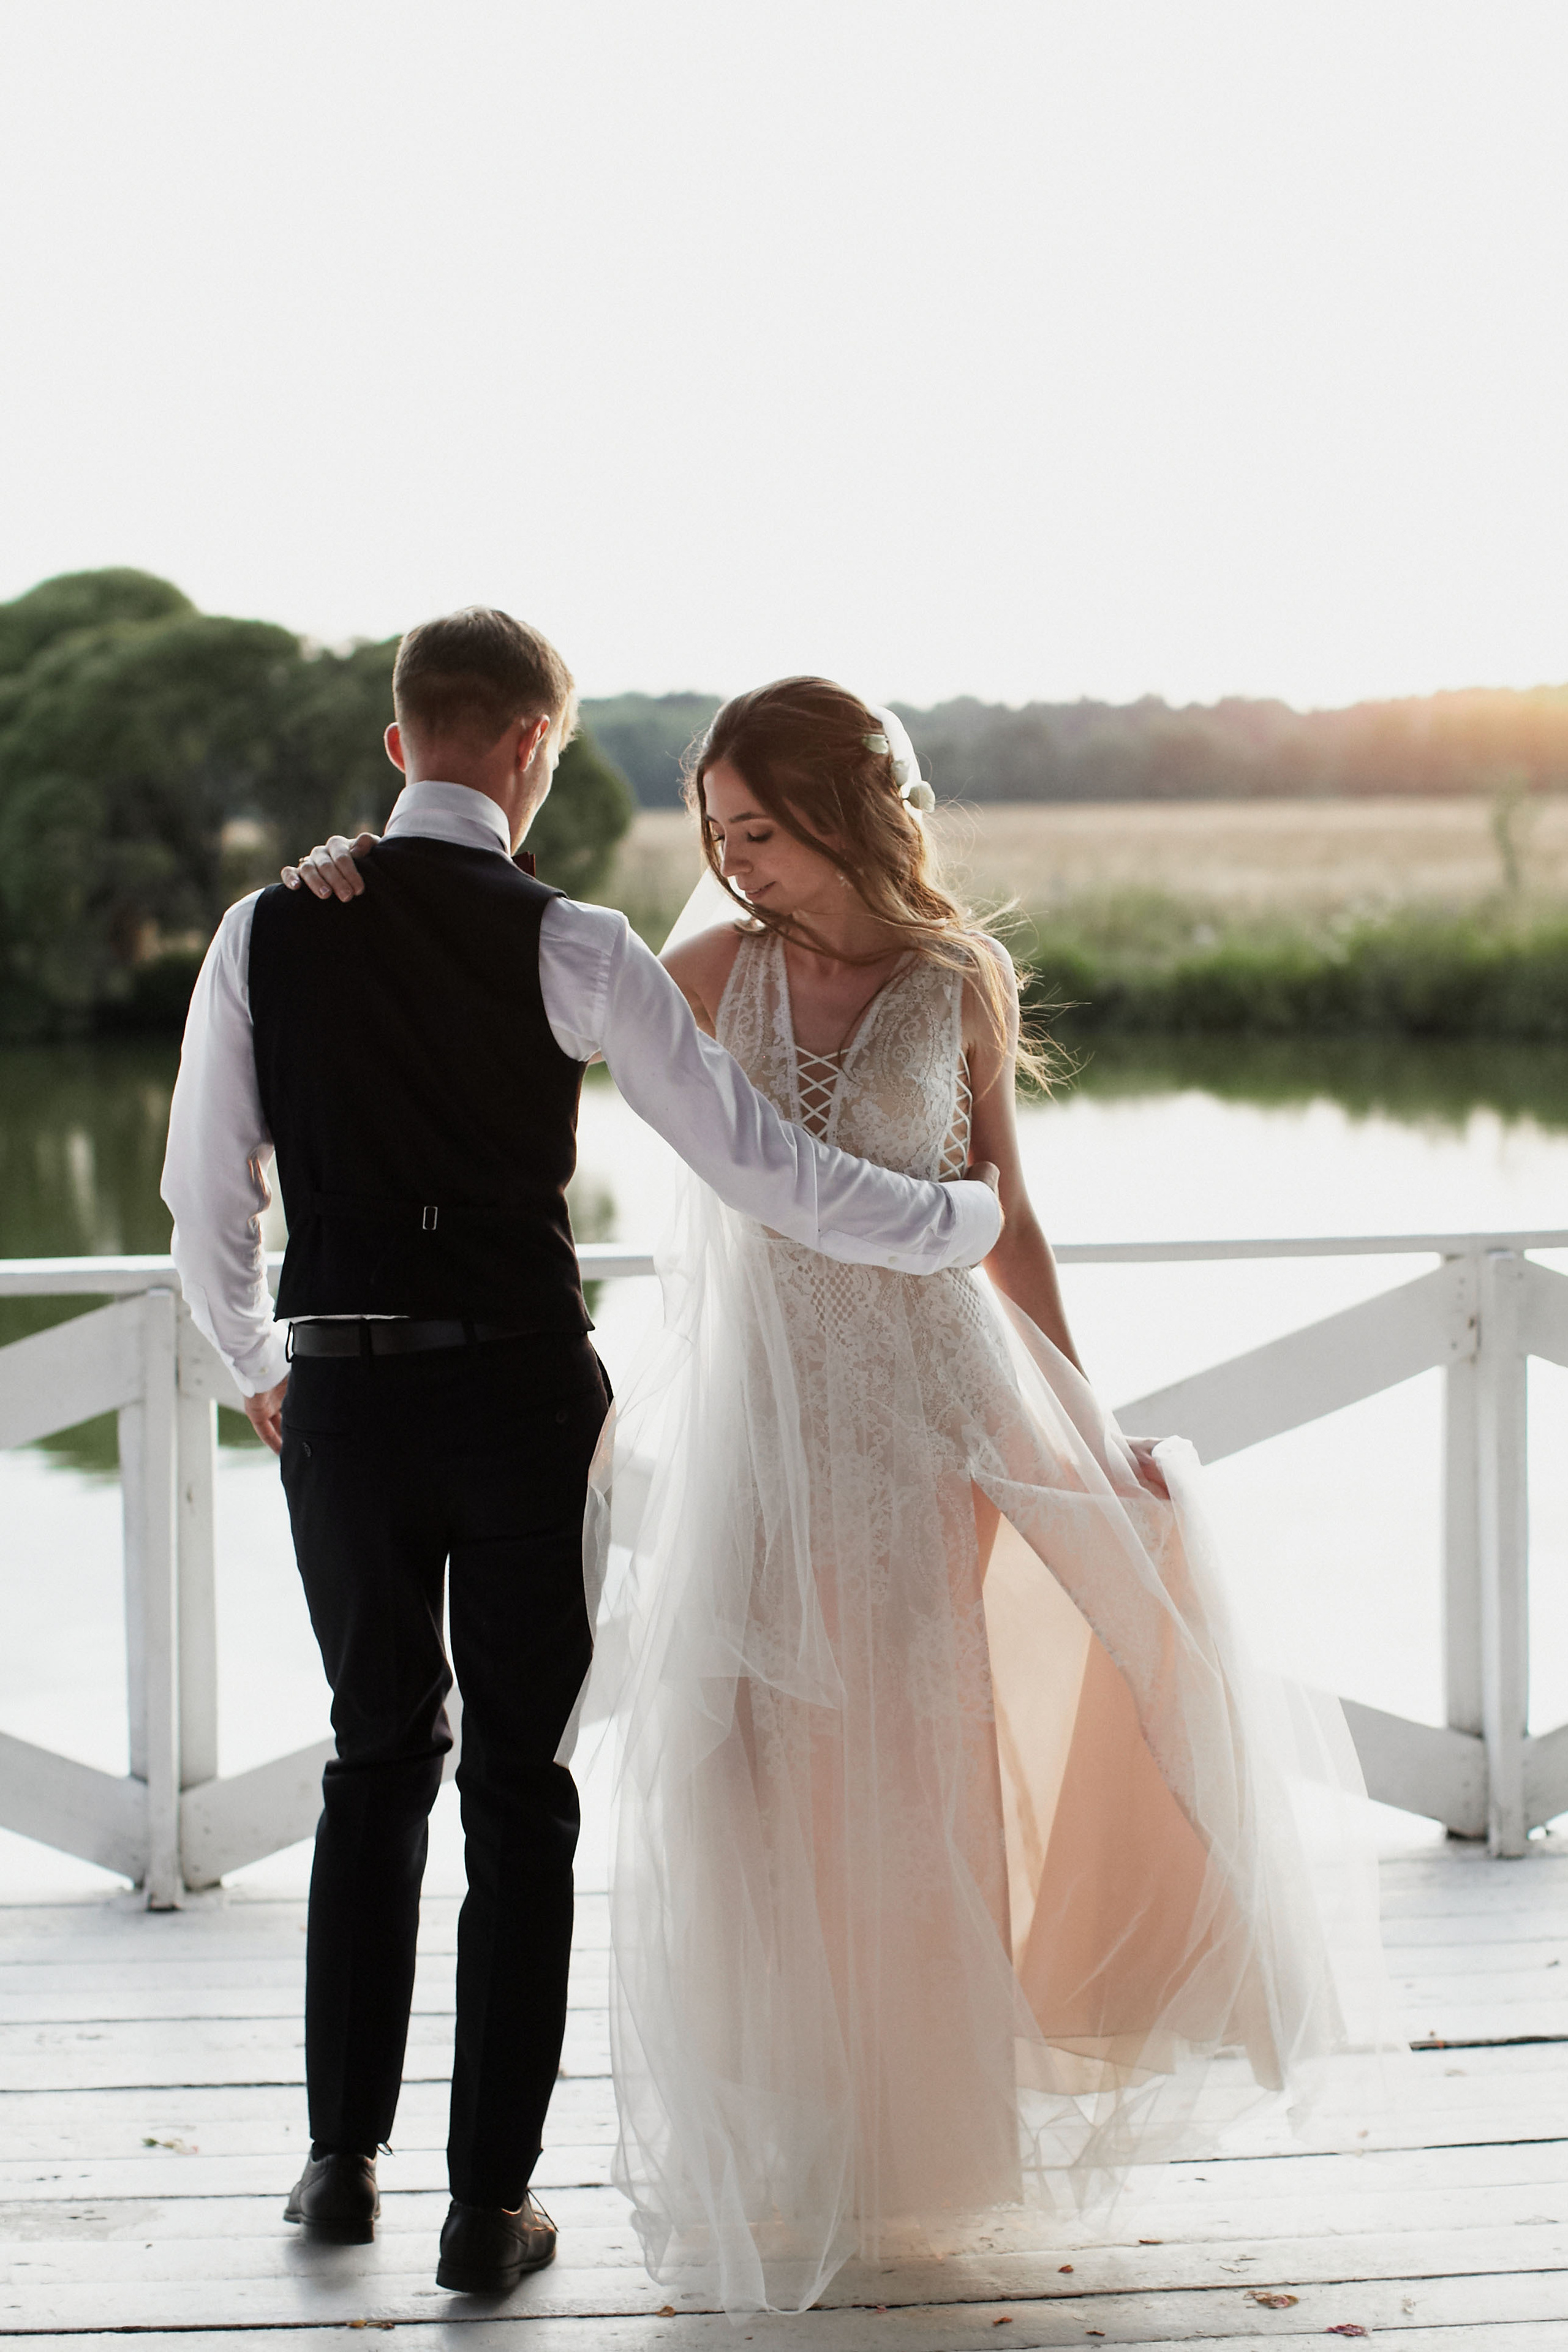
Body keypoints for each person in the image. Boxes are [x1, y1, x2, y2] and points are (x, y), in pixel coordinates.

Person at [290, 674, 1399, 2320]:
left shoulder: (958, 983)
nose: (740, 863)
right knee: (746, 1770)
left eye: (767, 831)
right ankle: (783, 2143)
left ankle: (911, 2156)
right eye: (722, 833)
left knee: (902, 1770)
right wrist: (364, 888)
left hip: (914, 1413)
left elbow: (1004, 1215)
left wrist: (1082, 1419)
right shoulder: (705, 967)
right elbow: (497, 1010)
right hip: (761, 1419)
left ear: (850, 815)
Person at [160, 616, 1004, 2300]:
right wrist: (957, 1217)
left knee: (369, 1761)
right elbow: (765, 1169)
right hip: (527, 1402)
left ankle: (340, 2168)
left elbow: (206, 1194)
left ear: (399, 749)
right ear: (539, 744)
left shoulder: (269, 931)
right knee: (520, 1790)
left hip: (342, 1399)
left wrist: (261, 1362)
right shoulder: (580, 941)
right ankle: (491, 2211)